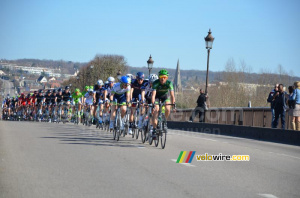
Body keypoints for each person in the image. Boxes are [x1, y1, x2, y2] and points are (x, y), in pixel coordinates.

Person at [151, 69, 176, 139]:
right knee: (156, 110)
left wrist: (174, 105)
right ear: (159, 77)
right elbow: (153, 95)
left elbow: (172, 95)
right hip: (157, 97)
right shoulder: (155, 83)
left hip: (165, 97)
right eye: (161, 77)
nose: (163, 79)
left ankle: (164, 121)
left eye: (164, 77)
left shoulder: (169, 83)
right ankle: (154, 129)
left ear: (167, 78)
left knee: (168, 109)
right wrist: (153, 105)